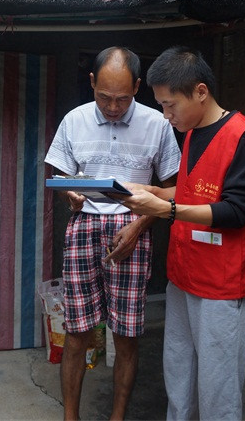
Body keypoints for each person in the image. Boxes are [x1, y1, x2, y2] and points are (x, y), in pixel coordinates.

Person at [117, 46, 245, 420]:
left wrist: (166, 210)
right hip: (183, 274)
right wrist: (155, 191)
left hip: (220, 283)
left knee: (218, 382)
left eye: (170, 105)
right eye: (162, 106)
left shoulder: (244, 138)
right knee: (179, 368)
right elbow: (192, 191)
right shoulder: (191, 132)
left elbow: (236, 210)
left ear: (201, 92)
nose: (166, 116)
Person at [44, 46, 181, 421]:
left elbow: (174, 189)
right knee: (78, 332)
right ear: (92, 83)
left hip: (132, 228)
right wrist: (70, 193)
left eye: (122, 98)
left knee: (126, 335)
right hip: (84, 227)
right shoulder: (74, 120)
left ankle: (117, 417)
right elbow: (59, 174)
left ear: (137, 86)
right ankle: (70, 417)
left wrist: (138, 227)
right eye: (104, 97)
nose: (113, 107)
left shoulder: (157, 124)